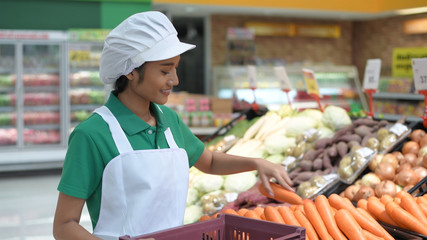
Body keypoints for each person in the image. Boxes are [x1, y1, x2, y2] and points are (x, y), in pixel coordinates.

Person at [53, 11, 293, 240]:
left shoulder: (169, 119)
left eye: (175, 68)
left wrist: (255, 163)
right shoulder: (92, 135)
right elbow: (64, 226)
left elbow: (208, 161)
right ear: (131, 71)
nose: (175, 80)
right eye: (165, 70)